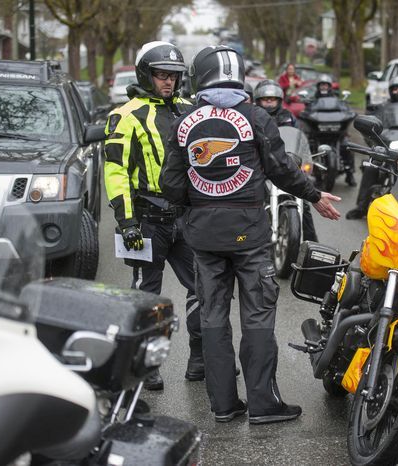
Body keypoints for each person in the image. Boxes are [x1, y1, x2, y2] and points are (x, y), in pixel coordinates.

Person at [162, 45, 341, 424]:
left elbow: (171, 183)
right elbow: (280, 169)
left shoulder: (184, 121)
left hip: (204, 238)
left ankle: (223, 406)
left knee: (212, 317)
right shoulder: (256, 116)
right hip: (250, 236)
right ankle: (263, 404)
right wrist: (314, 195)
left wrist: (197, 205)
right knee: (257, 317)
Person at [103, 41, 203, 391]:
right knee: (146, 296)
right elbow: (115, 173)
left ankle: (200, 358)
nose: (169, 82)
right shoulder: (125, 115)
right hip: (146, 220)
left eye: (174, 76)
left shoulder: (192, 109)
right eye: (162, 75)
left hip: (187, 219)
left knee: (203, 288)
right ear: (146, 74)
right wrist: (126, 222)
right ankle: (147, 364)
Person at [346, 76, 398, 219]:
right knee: (371, 168)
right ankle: (361, 206)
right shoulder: (381, 109)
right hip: (387, 148)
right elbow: (372, 129)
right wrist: (377, 144)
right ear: (390, 91)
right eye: (395, 89)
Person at [254, 79, 318, 241]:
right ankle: (248, 241)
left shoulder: (287, 116)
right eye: (265, 99)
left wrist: (303, 158)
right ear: (258, 100)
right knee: (252, 200)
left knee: (305, 202)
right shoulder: (252, 116)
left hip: (284, 164)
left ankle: (311, 245)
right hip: (260, 166)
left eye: (273, 99)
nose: (269, 102)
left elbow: (297, 139)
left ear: (279, 100)